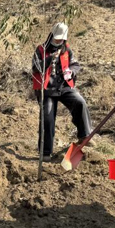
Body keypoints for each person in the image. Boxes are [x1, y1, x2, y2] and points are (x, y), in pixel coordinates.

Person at [31, 22, 91, 160]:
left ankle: (84, 135)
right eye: (56, 39)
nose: (58, 41)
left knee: (79, 102)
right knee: (47, 118)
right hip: (46, 89)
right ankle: (45, 153)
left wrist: (72, 71)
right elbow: (34, 67)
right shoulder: (41, 50)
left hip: (63, 86)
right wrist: (49, 59)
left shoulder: (67, 50)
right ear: (51, 36)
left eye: (60, 39)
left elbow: (75, 64)